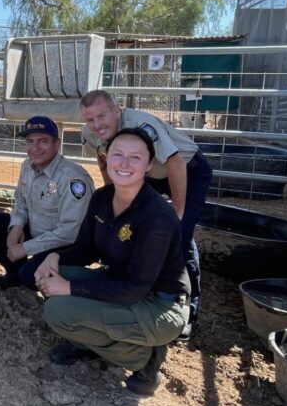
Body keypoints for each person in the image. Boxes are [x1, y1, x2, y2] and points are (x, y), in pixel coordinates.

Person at [34, 128, 190, 396]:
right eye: (117, 154)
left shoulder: (157, 218)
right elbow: (87, 249)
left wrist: (69, 289)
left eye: (135, 157)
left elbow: (134, 288)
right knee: (52, 277)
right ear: (106, 158)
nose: (125, 163)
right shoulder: (102, 198)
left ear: (149, 165)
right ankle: (87, 339)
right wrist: (54, 256)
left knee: (57, 310)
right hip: (120, 284)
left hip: (159, 305)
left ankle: (144, 357)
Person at [79, 89, 211, 340]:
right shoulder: (91, 133)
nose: (96, 124)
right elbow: (103, 158)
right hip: (145, 173)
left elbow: (175, 163)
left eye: (102, 116)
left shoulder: (143, 125)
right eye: (90, 119)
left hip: (186, 171)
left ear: (117, 110)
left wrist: (177, 213)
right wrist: (113, 199)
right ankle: (133, 286)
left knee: (178, 236)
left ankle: (185, 308)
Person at [0, 116, 94, 291]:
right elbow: (20, 201)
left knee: (31, 276)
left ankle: (64, 283)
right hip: (38, 231)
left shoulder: (73, 179)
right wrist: (16, 226)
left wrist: (25, 248)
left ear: (57, 144)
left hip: (67, 245)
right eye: (30, 141)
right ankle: (14, 275)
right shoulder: (27, 166)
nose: (35, 148)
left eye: (43, 141)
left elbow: (70, 232)